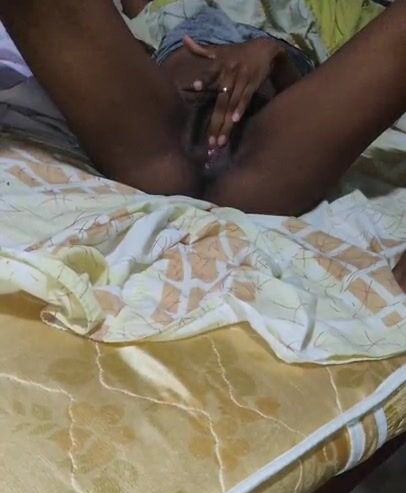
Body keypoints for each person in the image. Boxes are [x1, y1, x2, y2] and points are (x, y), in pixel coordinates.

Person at [0, 0, 405, 287]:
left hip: (268, 154)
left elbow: (325, 98)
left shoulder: (335, 9)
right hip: (162, 131)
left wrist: (273, 56)